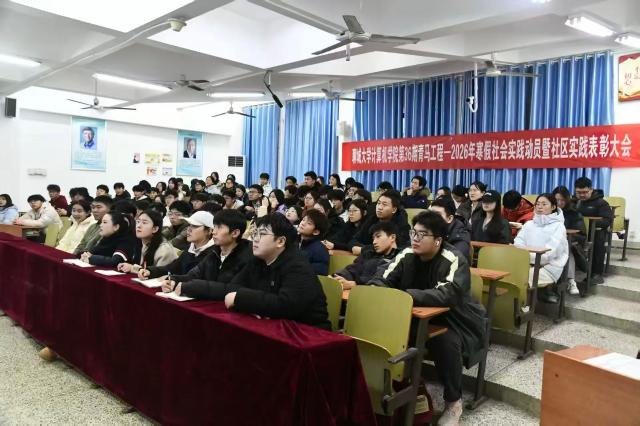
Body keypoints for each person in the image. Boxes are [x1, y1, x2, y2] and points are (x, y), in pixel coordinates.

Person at [370, 211, 485, 425]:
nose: (415, 239)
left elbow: (448, 295)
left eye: (422, 235)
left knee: (446, 342)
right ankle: (391, 387)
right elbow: (381, 278)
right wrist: (381, 291)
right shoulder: (407, 254)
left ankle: (453, 402)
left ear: (438, 240)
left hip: (454, 320)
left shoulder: (453, 259)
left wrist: (405, 296)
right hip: (414, 316)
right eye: (413, 233)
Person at [168, 213, 330, 329]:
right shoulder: (258, 260)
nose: (255, 239)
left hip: (308, 333)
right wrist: (190, 286)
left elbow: (286, 305)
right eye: (255, 233)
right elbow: (232, 288)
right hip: (272, 327)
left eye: (262, 234)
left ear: (280, 241)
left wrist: (242, 299)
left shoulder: (297, 266)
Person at [162, 209, 252, 298]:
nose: (214, 232)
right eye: (214, 227)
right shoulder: (215, 252)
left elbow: (234, 289)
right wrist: (173, 280)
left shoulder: (248, 257)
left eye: (219, 227)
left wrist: (196, 287)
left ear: (235, 233)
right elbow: (193, 276)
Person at [514, 193, 569, 303]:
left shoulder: (559, 226)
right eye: (537, 204)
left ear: (553, 207)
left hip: (548, 267)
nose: (539, 207)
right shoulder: (529, 224)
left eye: (544, 204)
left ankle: (522, 309)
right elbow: (518, 243)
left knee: (520, 279)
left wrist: (525, 257)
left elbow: (549, 254)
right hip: (525, 263)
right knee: (506, 276)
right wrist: (525, 259)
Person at [139, 211, 216, 279]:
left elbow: (197, 279)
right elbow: (171, 268)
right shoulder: (189, 249)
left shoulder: (214, 253)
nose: (189, 229)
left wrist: (173, 279)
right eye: (189, 225)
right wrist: (150, 271)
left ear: (209, 231)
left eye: (195, 226)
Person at [334, 221, 401, 289]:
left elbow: (382, 280)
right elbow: (352, 270)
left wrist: (356, 284)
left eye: (378, 236)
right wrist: (338, 277)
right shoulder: (369, 254)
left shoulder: (400, 259)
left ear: (392, 237)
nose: (374, 242)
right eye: (373, 238)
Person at [574, 177, 612, 285]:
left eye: (585, 192)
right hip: (577, 232)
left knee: (599, 236)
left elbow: (607, 221)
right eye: (579, 192)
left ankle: (597, 273)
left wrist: (588, 223)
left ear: (591, 189)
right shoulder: (574, 202)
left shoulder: (601, 203)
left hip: (593, 233)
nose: (582, 195)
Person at [117, 210, 177, 274]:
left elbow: (159, 274)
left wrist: (133, 268)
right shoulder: (140, 242)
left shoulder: (164, 249)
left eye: (144, 223)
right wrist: (128, 266)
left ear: (155, 229)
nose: (138, 226)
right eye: (138, 221)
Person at [352, 190, 411, 255]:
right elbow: (353, 241)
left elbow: (397, 247)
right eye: (378, 203)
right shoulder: (372, 219)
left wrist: (363, 250)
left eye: (384, 205)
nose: (379, 207)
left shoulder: (402, 224)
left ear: (394, 209)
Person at [553, 186, 586, 295]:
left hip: (570, 243)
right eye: (556, 200)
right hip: (550, 242)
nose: (559, 203)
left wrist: (565, 237)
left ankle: (571, 280)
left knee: (567, 250)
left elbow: (581, 235)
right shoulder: (548, 212)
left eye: (562, 200)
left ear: (567, 200)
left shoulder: (574, 214)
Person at [430, 197, 471, 264]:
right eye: (430, 214)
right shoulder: (428, 230)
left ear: (449, 218)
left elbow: (453, 261)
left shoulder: (460, 237)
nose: (431, 218)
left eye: (437, 215)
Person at [297, 209, 330, 275]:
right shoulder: (292, 241)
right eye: (303, 220)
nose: (303, 223)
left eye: (309, 223)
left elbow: (321, 272)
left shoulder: (319, 250)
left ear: (316, 232)